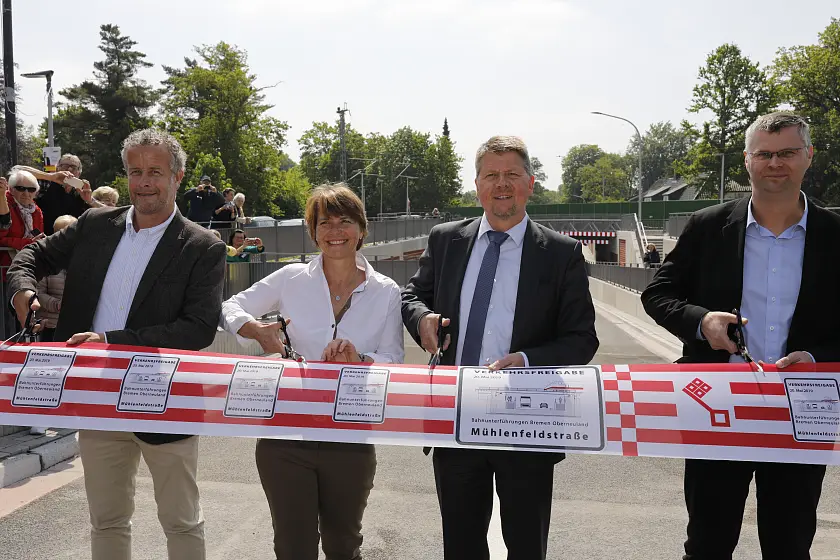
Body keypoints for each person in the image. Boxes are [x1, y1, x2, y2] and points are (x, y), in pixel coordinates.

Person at [7, 128, 227, 560]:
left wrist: (110, 341)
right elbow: (30, 256)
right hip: (98, 396)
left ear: (178, 176)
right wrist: (22, 291)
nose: (145, 182)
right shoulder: (95, 225)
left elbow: (199, 328)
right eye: (135, 172)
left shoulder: (203, 246)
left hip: (167, 399)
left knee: (181, 521)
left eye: (156, 172)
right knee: (106, 520)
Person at [641, 112, 840, 560]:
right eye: (764, 154)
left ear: (808, 156)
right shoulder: (708, 226)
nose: (775, 163)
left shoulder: (834, 234)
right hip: (718, 406)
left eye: (787, 152)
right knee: (708, 543)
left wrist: (819, 356)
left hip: (802, 409)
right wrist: (700, 322)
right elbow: (659, 293)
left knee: (789, 545)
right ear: (747, 161)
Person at [401, 136, 599, 560]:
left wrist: (527, 361)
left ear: (530, 183)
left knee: (527, 547)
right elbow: (411, 296)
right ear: (477, 185)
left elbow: (582, 338)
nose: (502, 184)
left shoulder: (561, 254)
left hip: (527, 423)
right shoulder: (445, 239)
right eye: (492, 175)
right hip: (457, 417)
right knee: (461, 546)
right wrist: (423, 321)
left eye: (512, 174)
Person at [219, 183, 404, 560]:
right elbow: (229, 306)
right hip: (285, 434)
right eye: (325, 223)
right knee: (293, 547)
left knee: (344, 544)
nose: (335, 231)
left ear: (361, 229)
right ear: (313, 231)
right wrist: (255, 330)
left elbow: (394, 361)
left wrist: (360, 360)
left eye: (345, 221)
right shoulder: (290, 278)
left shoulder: (386, 290)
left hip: (350, 435)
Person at [16, 154, 104, 234]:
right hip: (46, 240)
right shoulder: (47, 184)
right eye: (65, 166)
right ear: (58, 168)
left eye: (73, 167)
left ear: (79, 173)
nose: (69, 169)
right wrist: (50, 176)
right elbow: (16, 170)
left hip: (72, 242)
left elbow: (110, 212)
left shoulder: (82, 192)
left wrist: (90, 201)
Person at [0, 170, 46, 275]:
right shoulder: (3, 205)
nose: (26, 193)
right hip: (6, 270)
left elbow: (38, 235)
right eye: (20, 188)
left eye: (31, 189)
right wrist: (29, 243)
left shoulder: (36, 211)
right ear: (11, 189)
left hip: (29, 268)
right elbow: (1, 239)